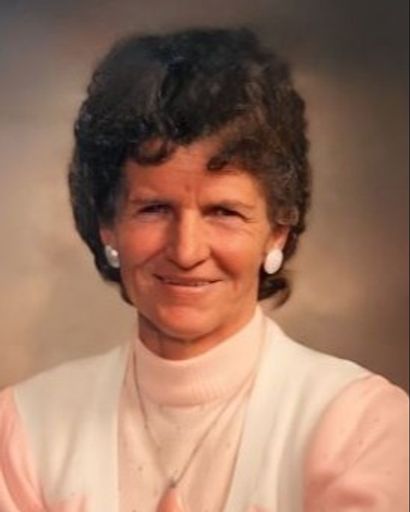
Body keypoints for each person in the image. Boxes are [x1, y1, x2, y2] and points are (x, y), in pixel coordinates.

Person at [0, 27, 408, 512]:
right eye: (154, 209)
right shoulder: (24, 428)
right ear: (107, 225)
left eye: (223, 212)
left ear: (277, 232)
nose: (186, 251)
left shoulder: (362, 427)